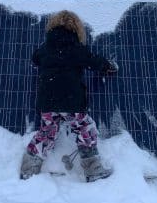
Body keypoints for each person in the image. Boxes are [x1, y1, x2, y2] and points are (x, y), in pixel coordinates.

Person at [20, 10, 118, 182]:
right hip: (72, 103)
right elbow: (95, 61)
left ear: (53, 26)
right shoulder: (77, 49)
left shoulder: (45, 48)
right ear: (77, 29)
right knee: (85, 129)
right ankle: (93, 170)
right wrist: (109, 66)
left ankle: (28, 169)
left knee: (46, 133)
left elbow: (35, 59)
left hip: (47, 103)